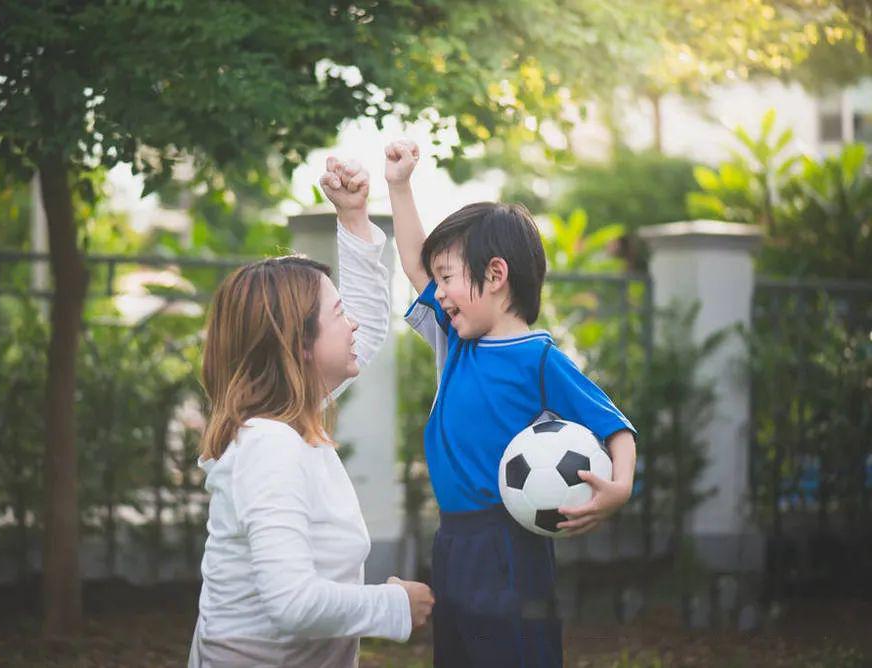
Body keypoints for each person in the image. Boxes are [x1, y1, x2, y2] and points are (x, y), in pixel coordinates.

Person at [379, 139, 638, 667]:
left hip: (509, 542)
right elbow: (413, 263)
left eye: (448, 277)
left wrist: (621, 486)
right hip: (453, 538)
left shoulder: (539, 359)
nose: (439, 292)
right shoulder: (455, 342)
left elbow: (615, 427)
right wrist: (399, 186)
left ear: (495, 275)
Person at [188, 158, 434, 667]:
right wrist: (396, 606)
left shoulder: (282, 422)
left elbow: (364, 331)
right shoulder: (269, 446)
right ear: (299, 346)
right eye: (338, 314)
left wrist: (354, 218)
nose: (353, 327)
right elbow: (292, 602)